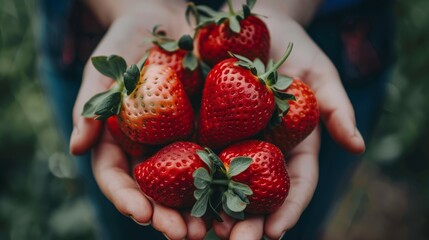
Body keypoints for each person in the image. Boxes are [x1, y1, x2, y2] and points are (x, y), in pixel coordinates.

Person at [38, 0, 393, 239]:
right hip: (92, 19)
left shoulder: (235, 81)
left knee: (296, 228)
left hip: (329, 26)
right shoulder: (161, 88)